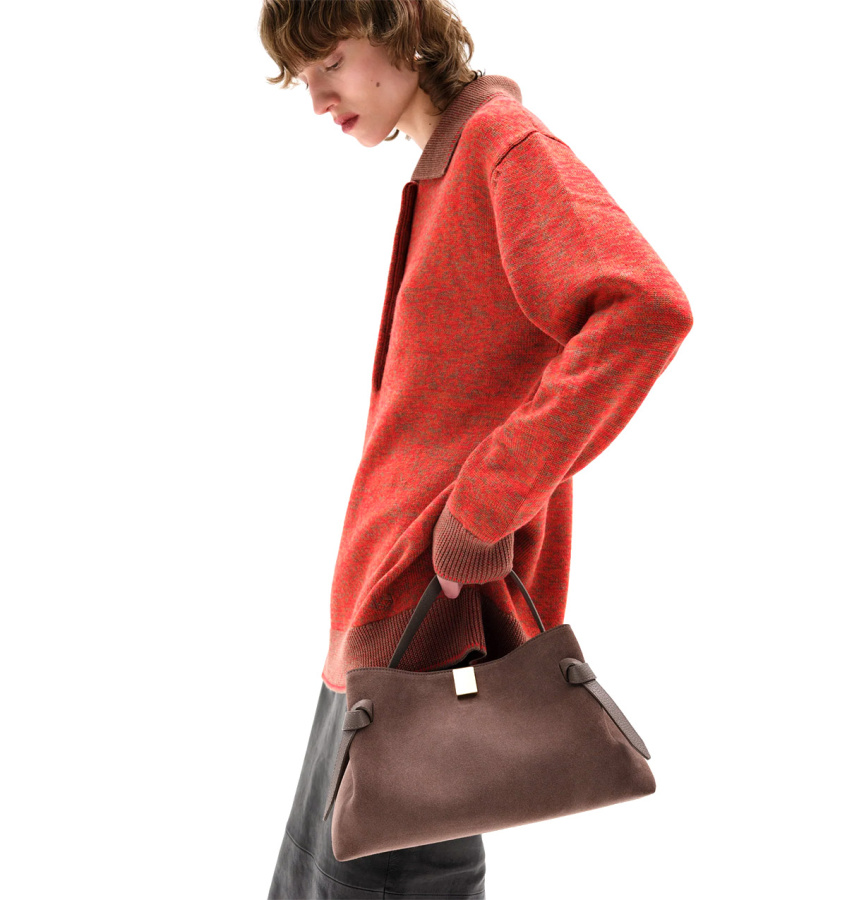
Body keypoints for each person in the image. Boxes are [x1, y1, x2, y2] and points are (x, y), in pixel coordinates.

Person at [258, 1, 693, 897]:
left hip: (428, 615)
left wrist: (485, 506)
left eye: (329, 62)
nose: (318, 100)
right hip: (378, 614)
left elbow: (643, 309)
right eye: (302, 79)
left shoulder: (500, 146)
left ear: (398, 28)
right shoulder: (443, 170)